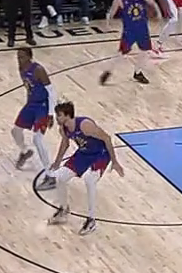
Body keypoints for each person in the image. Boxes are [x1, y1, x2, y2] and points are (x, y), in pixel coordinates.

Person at [45, 101, 125, 236]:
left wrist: (115, 161)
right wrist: (57, 162)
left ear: (67, 115)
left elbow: (107, 138)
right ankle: (63, 210)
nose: (57, 118)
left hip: (100, 154)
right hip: (83, 153)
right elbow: (65, 144)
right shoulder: (63, 129)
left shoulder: (85, 125)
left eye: (59, 115)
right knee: (60, 177)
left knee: (89, 180)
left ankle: (91, 220)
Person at [98, 0, 161, 86]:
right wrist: (107, 24)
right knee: (121, 53)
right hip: (129, 31)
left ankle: (138, 72)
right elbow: (111, 13)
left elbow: (153, 3)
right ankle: (108, 71)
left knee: (145, 51)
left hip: (142, 28)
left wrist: (158, 13)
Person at [11, 46, 57, 190]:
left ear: (29, 57)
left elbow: (51, 91)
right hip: (31, 104)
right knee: (15, 131)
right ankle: (25, 152)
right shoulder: (21, 69)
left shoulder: (38, 70)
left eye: (22, 57)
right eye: (18, 57)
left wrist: (51, 113)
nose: (19, 59)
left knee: (37, 139)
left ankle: (50, 176)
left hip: (43, 106)